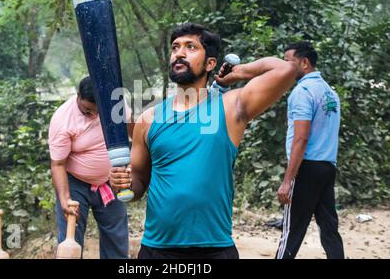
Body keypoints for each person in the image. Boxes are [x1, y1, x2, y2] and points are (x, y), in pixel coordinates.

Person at [110, 23, 297, 259]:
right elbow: (138, 182)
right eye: (175, 47)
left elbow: (286, 69)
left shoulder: (230, 108)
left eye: (190, 47)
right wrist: (121, 183)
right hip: (158, 249)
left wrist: (240, 72)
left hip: (215, 249)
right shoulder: (149, 119)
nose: (179, 53)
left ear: (210, 63)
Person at [48, 76, 134, 259]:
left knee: (116, 239)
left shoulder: (115, 104)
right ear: (78, 96)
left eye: (98, 111)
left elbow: (135, 134)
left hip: (112, 180)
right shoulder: (63, 119)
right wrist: (64, 200)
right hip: (75, 184)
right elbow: (58, 164)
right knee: (72, 238)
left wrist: (133, 165)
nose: (94, 115)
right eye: (88, 110)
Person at [275, 42, 344, 259]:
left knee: (292, 230)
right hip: (327, 167)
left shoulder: (302, 91)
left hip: (306, 169)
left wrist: (288, 180)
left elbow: (301, 138)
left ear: (304, 63)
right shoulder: (330, 92)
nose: (284, 67)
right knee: (329, 228)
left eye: (288, 62)